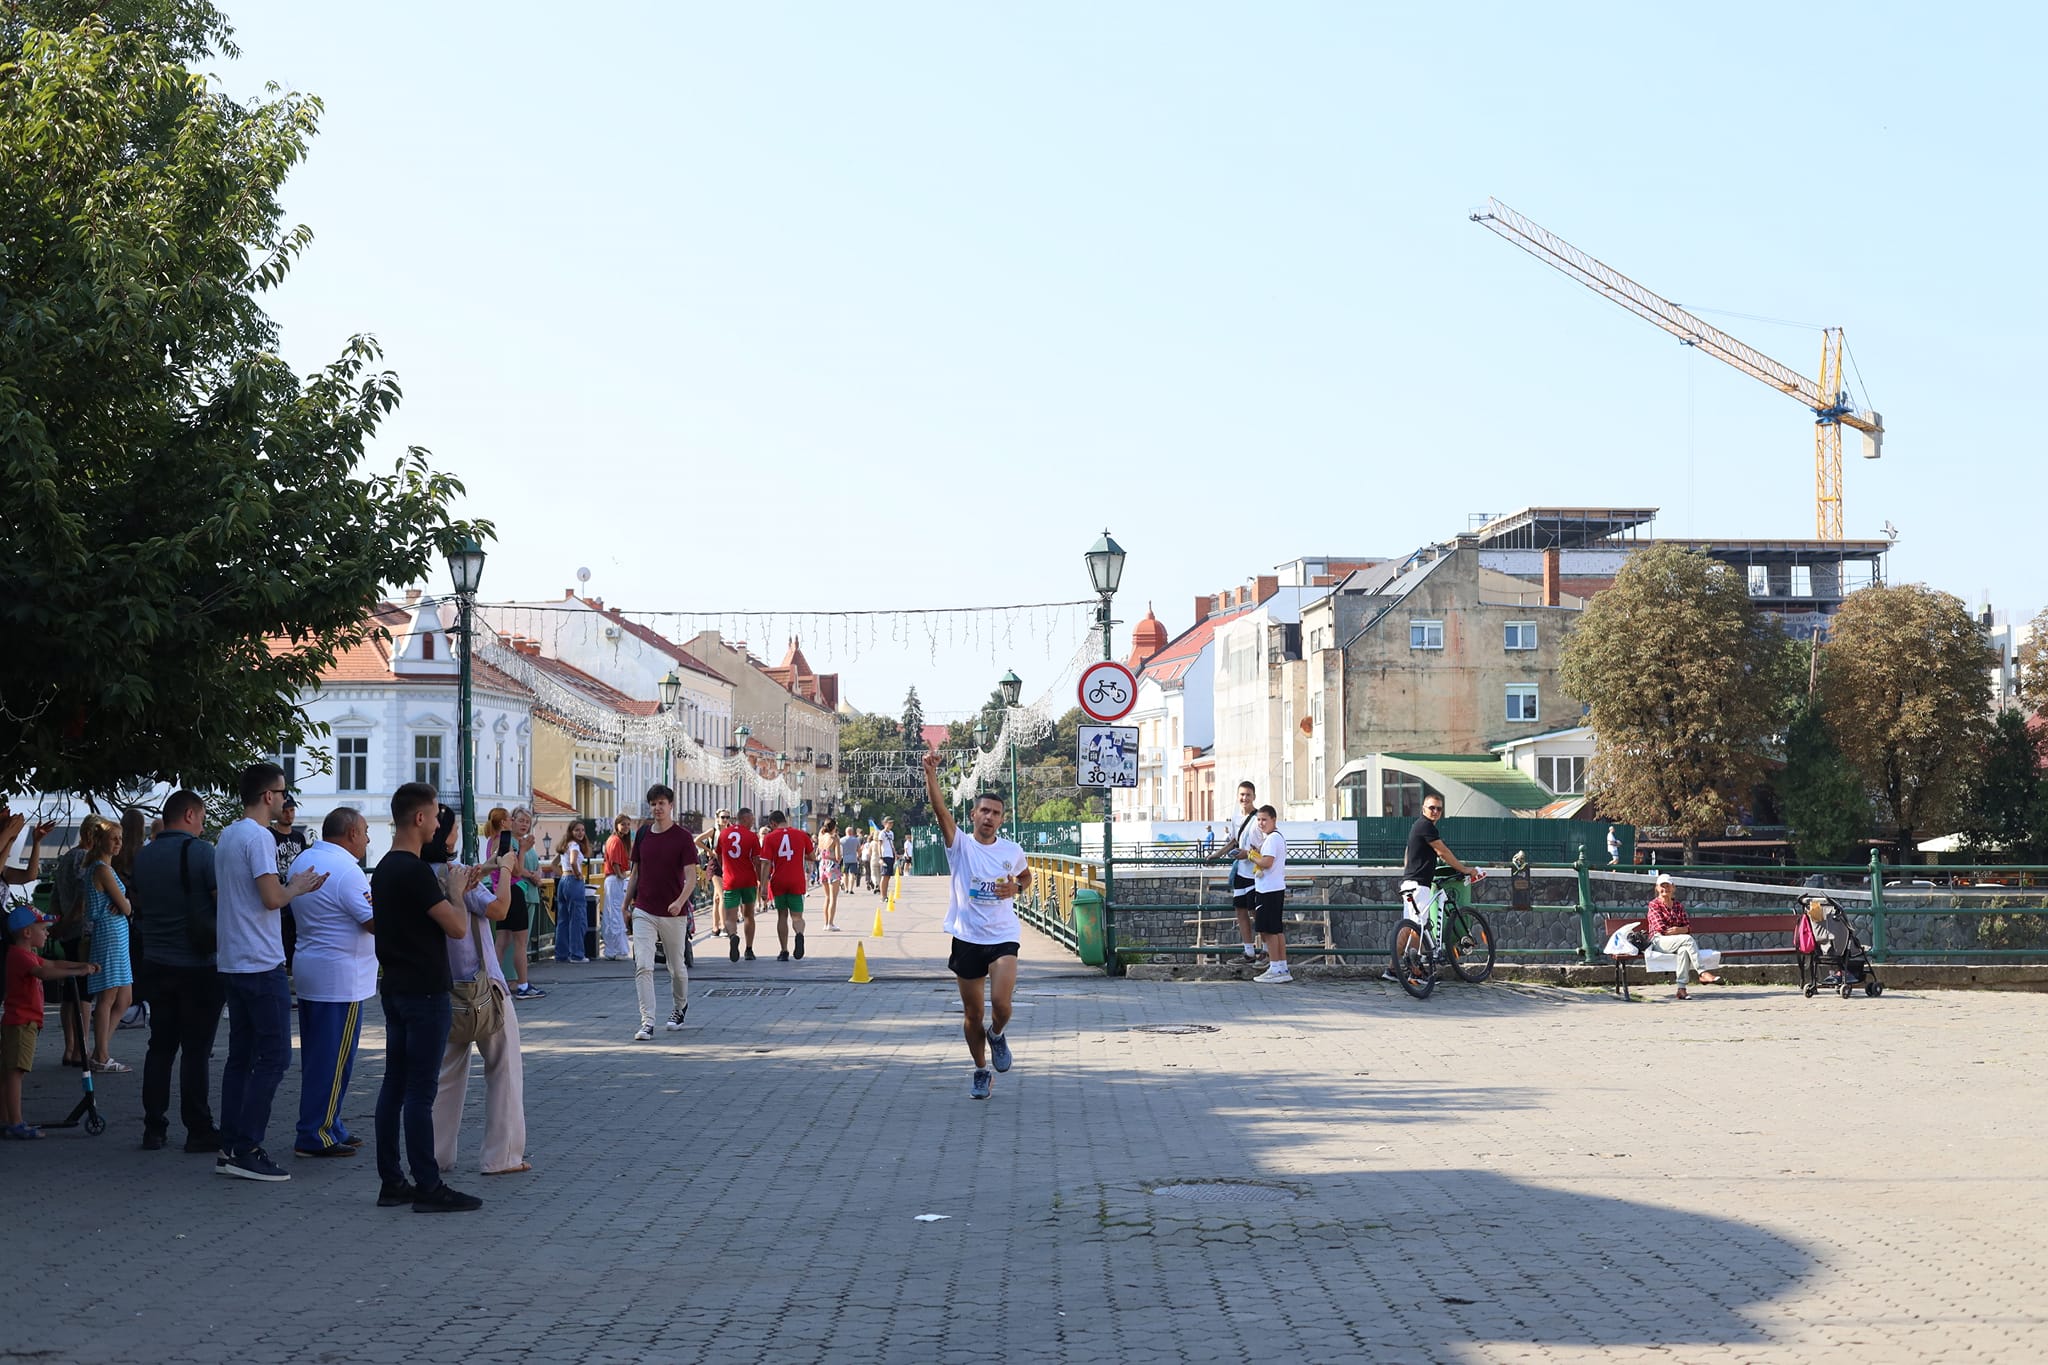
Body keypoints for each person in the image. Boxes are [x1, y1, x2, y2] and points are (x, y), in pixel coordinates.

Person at [371, 783, 482, 1213]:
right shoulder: (415, 872)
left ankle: (392, 1181)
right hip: (424, 991)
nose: (439, 824)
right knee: (419, 1092)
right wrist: (455, 892)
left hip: (396, 987)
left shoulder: (383, 868)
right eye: (435, 816)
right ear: (418, 818)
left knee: (394, 1087)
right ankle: (428, 1186)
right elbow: (456, 927)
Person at [215, 762, 329, 1183]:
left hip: (232, 959)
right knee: (275, 1055)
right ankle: (247, 1147)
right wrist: (296, 885)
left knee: (240, 1057)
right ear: (268, 796)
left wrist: (288, 886)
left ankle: (229, 1145)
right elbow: (270, 898)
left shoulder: (227, 834)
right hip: (261, 963)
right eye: (282, 793)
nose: (285, 800)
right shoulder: (259, 837)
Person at [923, 750, 1030, 1101]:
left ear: (1001, 820)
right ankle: (981, 1070)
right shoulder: (961, 846)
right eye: (984, 810)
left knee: (1001, 1005)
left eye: (996, 813)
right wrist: (930, 775)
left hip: (1002, 935)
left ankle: (997, 1035)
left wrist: (1017, 887)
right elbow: (940, 811)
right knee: (973, 1014)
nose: (989, 817)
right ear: (974, 814)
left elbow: (1027, 877)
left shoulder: (1011, 850)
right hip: (967, 936)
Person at [429, 807, 529, 1177]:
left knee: (445, 1076)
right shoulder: (456, 877)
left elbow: (462, 876)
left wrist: (487, 866)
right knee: (503, 1068)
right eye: (455, 829)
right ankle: (501, 1156)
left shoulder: (427, 874)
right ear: (448, 836)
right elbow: (499, 908)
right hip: (484, 988)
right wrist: (504, 869)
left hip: (445, 988)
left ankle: (436, 1155)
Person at [129, 790, 226, 1154]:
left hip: (156, 961)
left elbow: (136, 900)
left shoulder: (145, 855)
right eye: (201, 817)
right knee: (196, 1050)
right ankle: (198, 1128)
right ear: (188, 815)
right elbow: (222, 902)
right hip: (198, 964)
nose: (202, 825)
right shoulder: (202, 852)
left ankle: (153, 1127)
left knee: (160, 1046)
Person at [289, 807, 378, 1158]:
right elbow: (373, 922)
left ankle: (330, 1123)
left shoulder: (304, 859)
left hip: (313, 966)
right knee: (335, 1058)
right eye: (366, 831)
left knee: (319, 1055)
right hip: (342, 976)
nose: (369, 839)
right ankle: (317, 1131)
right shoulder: (348, 872)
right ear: (352, 833)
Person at [3, 905, 98, 1139]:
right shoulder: (19, 956)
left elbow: (53, 964)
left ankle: (7, 1119)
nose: (47, 934)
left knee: (10, 1072)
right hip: (21, 1022)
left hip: (23, 1022)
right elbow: (44, 973)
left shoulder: (26, 955)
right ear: (27, 933)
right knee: (15, 1072)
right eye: (43, 929)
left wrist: (81, 967)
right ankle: (15, 1121)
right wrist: (75, 973)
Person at [622, 784, 699, 1040]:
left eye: (662, 803)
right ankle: (647, 1021)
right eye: (653, 804)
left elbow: (691, 877)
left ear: (671, 805)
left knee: (676, 967)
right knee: (643, 965)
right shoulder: (643, 834)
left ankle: (679, 1007)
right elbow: (635, 873)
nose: (657, 808)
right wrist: (626, 904)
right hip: (644, 909)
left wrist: (680, 901)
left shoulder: (683, 837)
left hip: (673, 912)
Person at [79, 817, 136, 1072]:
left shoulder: (103, 868)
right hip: (110, 932)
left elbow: (123, 904)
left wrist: (125, 904)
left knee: (124, 997)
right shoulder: (101, 869)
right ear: (100, 839)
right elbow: (124, 906)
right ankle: (101, 1054)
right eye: (113, 838)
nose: (118, 843)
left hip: (117, 932)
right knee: (108, 995)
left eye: (120, 839)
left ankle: (101, 1049)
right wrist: (126, 904)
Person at [1647, 872, 1719, 1000]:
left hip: (1677, 941)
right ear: (1657, 888)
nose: (1665, 889)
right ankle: (1702, 972)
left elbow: (1688, 927)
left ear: (1673, 888)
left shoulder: (1678, 906)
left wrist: (1678, 930)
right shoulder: (1654, 905)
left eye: (1668, 886)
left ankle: (1681, 989)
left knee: (1684, 950)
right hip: (1659, 941)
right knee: (1687, 939)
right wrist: (1681, 930)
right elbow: (1661, 929)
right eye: (1662, 886)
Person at [757, 811, 813, 962]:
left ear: (773, 823)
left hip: (779, 880)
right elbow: (812, 856)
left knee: (782, 915)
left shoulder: (770, 838)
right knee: (797, 916)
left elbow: (766, 863)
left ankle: (784, 950)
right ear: (785, 820)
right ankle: (799, 934)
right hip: (797, 879)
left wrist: (763, 886)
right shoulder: (801, 835)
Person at [1247, 806, 1293, 984]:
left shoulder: (1273, 839)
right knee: (1276, 930)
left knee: (1269, 931)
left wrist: (1252, 856)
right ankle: (1281, 966)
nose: (1261, 823)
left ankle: (1275, 967)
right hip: (1274, 888)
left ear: (1274, 820)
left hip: (1268, 890)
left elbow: (1267, 862)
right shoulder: (1275, 838)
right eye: (1258, 820)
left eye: (1264, 820)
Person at [505, 805, 546, 1001]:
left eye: (527, 822)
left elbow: (535, 864)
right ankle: (514, 980)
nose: (524, 825)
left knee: (520, 939)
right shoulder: (511, 843)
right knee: (514, 941)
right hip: (518, 891)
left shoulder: (525, 843)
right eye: (521, 820)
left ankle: (516, 979)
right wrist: (532, 876)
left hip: (529, 893)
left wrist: (537, 875)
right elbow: (516, 869)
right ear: (512, 820)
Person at [1220, 781, 1263, 963]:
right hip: (1240, 872)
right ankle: (1249, 951)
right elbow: (1233, 841)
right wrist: (1217, 855)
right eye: (1242, 794)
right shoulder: (1235, 818)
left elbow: (1264, 847)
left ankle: (1266, 951)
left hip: (1255, 873)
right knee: (1240, 911)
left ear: (1254, 796)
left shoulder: (1259, 818)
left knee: (1256, 912)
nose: (1244, 798)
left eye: (1248, 795)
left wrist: (1248, 854)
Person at [718, 808, 762, 962]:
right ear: (744, 819)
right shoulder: (751, 836)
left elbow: (718, 855)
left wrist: (725, 869)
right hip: (748, 880)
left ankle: (733, 936)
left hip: (730, 880)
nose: (753, 823)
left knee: (730, 917)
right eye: (751, 820)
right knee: (749, 915)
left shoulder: (723, 834)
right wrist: (760, 879)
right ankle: (749, 949)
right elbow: (757, 860)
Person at [272, 796, 309, 973]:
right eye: (285, 811)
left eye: (292, 811)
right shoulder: (270, 836)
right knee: (282, 931)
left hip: (297, 891)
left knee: (296, 930)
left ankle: (294, 967)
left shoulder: (299, 838)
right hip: (278, 890)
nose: (289, 815)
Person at [549, 819, 591, 963]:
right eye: (577, 830)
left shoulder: (564, 845)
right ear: (571, 832)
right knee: (577, 919)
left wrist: (563, 875)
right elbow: (573, 861)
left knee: (563, 920)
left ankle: (561, 954)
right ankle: (577, 954)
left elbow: (553, 864)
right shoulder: (574, 846)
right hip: (573, 881)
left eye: (582, 830)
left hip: (563, 882)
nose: (581, 833)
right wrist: (578, 874)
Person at [598, 813, 633, 960]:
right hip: (615, 878)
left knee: (609, 914)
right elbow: (615, 861)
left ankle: (611, 949)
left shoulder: (614, 840)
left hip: (611, 878)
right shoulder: (616, 841)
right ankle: (620, 949)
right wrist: (621, 874)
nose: (626, 827)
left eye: (628, 824)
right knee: (617, 912)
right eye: (623, 824)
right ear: (617, 825)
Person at [817, 819, 842, 930]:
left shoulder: (821, 836)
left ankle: (826, 922)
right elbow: (838, 856)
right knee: (833, 897)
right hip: (832, 866)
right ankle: (830, 924)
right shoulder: (834, 838)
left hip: (822, 865)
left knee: (827, 897)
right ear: (834, 827)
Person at [841, 822, 862, 890]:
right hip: (853, 859)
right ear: (852, 832)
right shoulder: (856, 840)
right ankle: (851, 889)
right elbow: (859, 850)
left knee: (845, 874)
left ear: (845, 832)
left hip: (844, 859)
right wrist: (858, 856)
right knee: (852, 874)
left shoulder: (841, 840)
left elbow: (839, 850)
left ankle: (846, 888)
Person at [878, 816, 898, 889]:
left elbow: (892, 845)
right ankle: (883, 895)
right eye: (889, 823)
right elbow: (879, 845)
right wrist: (880, 857)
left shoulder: (891, 833)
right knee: (884, 875)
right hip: (885, 855)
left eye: (891, 823)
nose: (891, 825)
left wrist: (895, 854)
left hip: (890, 855)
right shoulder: (882, 833)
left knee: (888, 876)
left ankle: (885, 893)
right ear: (885, 823)